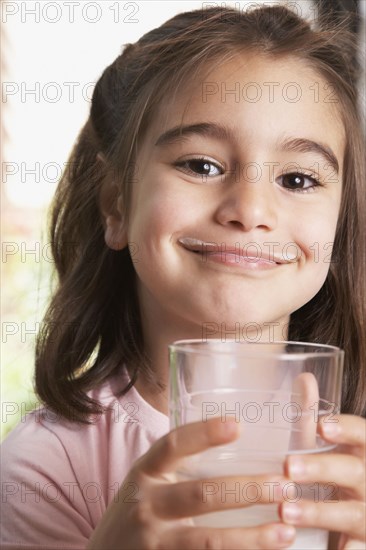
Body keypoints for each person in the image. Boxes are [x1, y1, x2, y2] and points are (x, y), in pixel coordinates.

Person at [1, 4, 365, 550]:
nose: (250, 208)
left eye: (297, 178)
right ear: (116, 205)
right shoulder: (44, 469)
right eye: (202, 165)